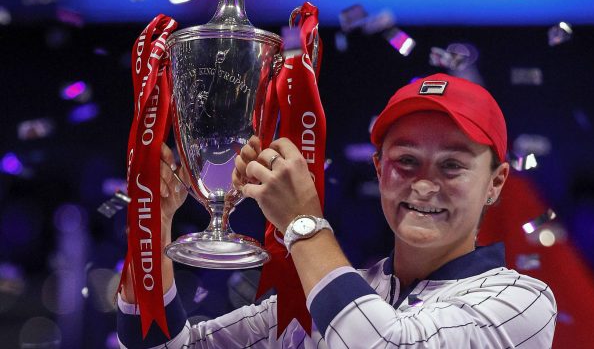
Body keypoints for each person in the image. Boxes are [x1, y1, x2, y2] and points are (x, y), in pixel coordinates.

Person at [117, 73, 557, 348]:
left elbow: (381, 343)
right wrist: (153, 225)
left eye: (452, 165)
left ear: (495, 183)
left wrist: (302, 221)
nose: (424, 184)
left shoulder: (521, 301)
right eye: (405, 160)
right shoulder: (325, 294)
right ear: (378, 170)